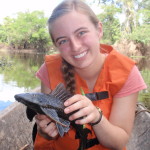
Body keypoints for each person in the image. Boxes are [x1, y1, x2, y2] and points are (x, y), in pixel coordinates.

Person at [34, 0, 147, 149]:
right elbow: (48, 130)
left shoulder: (126, 73)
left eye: (81, 33)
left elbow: (118, 142)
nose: (75, 46)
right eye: (63, 41)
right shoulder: (49, 71)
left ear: (99, 30)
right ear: (56, 46)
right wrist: (46, 131)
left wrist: (97, 117)